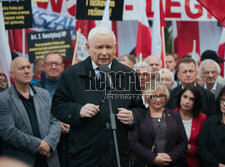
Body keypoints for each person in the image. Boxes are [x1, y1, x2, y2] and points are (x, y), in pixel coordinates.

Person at [51, 26, 146, 167]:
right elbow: (57, 107)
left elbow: (140, 109)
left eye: (108, 47)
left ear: (116, 47)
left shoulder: (128, 74)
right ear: (88, 48)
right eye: (99, 47)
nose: (104, 53)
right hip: (84, 156)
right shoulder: (71, 74)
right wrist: (78, 110)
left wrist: (133, 116)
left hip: (116, 157)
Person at [0, 57, 61, 167]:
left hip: (49, 160)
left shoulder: (44, 94)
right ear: (11, 74)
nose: (27, 71)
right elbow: (8, 132)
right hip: (22, 161)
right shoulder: (3, 99)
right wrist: (39, 145)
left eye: (28, 67)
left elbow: (55, 121)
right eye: (22, 68)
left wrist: (49, 143)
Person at [130, 82, 188, 167]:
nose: (158, 100)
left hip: (171, 163)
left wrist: (170, 156)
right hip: (146, 163)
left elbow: (183, 142)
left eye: (161, 96)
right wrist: (153, 158)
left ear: (166, 97)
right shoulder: (139, 115)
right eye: (153, 96)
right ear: (147, 97)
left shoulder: (175, 115)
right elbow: (134, 142)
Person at [35, 52, 69, 167]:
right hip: (45, 143)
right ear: (43, 67)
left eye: (57, 64)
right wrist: (56, 125)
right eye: (50, 64)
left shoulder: (72, 88)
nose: (53, 67)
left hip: (69, 143)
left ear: (62, 67)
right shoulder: (33, 90)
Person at [175, 85, 207, 167]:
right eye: (185, 97)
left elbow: (205, 146)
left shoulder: (202, 118)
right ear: (180, 97)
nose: (187, 101)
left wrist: (189, 148)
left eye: (191, 99)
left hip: (192, 162)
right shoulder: (168, 115)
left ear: (196, 102)